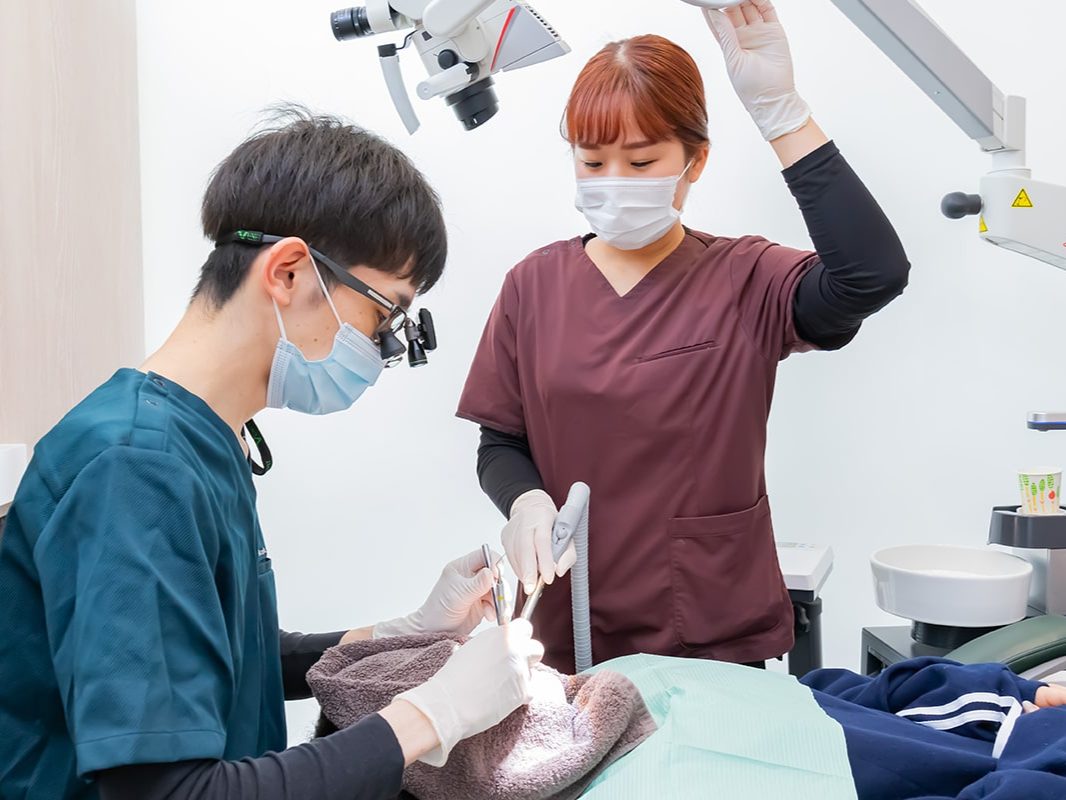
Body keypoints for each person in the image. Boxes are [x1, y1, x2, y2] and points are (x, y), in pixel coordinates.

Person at [0, 109, 542, 800]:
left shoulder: (203, 438)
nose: (384, 348)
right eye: (385, 315)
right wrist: (432, 716)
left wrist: (404, 631)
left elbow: (233, 655)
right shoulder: (135, 470)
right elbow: (171, 793)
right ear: (288, 272)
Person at [458, 0, 911, 673]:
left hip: (710, 640)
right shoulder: (533, 284)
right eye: (593, 162)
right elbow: (500, 441)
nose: (614, 183)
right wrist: (524, 502)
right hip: (567, 633)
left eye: (641, 162)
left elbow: (872, 273)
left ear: (695, 161)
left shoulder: (747, 278)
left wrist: (782, 115)